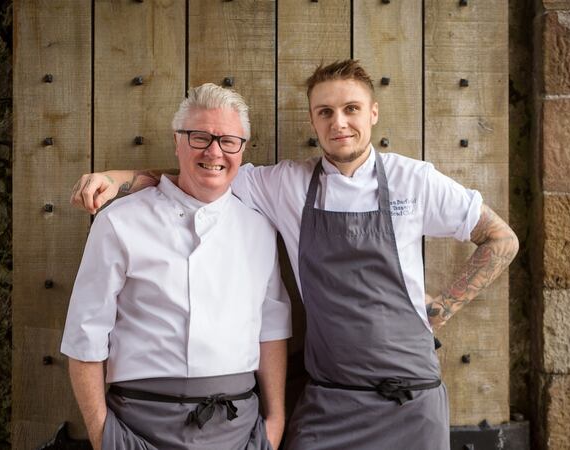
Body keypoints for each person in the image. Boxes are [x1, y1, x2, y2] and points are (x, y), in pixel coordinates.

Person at [71, 60, 519, 450]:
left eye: (351, 109)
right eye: (325, 111)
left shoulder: (415, 181)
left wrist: (439, 309)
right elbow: (205, 171)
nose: (339, 122)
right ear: (312, 119)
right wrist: (122, 177)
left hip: (410, 398)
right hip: (330, 399)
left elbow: (501, 240)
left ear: (373, 114)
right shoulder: (285, 184)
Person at [61, 83, 291, 450]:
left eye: (228, 140)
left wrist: (274, 423)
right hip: (140, 427)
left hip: (240, 428)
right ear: (177, 142)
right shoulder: (120, 221)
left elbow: (273, 326)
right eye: (199, 137)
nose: (214, 151)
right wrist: (103, 434)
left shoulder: (259, 226)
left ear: (242, 148)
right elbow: (84, 335)